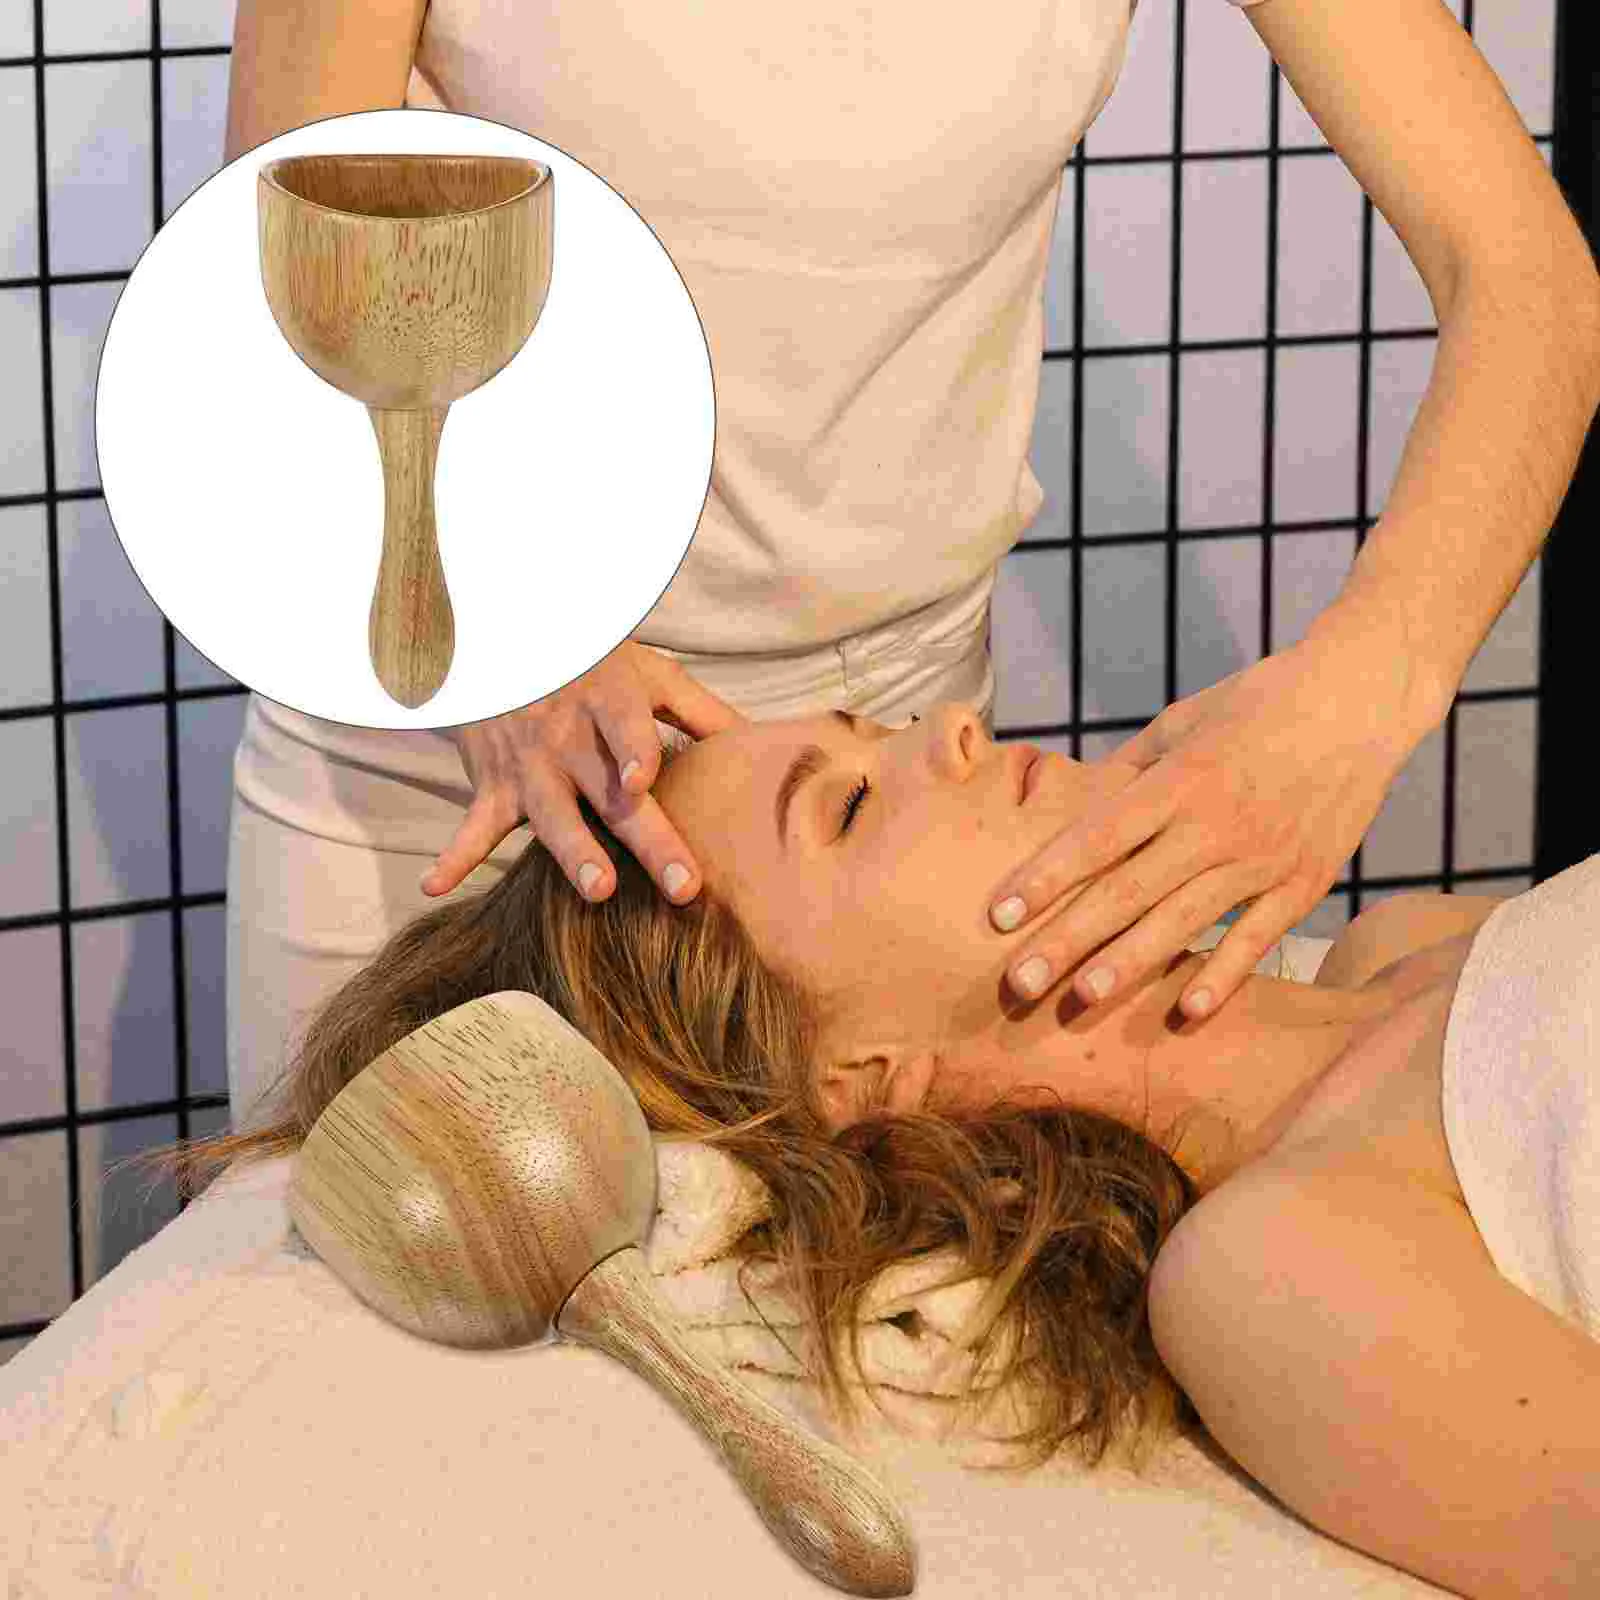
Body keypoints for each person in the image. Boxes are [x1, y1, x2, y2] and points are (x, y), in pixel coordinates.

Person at [220, 2, 1600, 1147]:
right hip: (449, 749)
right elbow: (273, 276)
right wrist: (503, 634)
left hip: (869, 794)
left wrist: (1366, 686)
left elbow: (1523, 275)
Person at [138, 702, 1600, 1598]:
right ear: (867, 1081)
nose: (950, 732)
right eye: (847, 803)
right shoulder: (1275, 1272)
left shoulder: (1404, 946)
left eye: (868, 735)